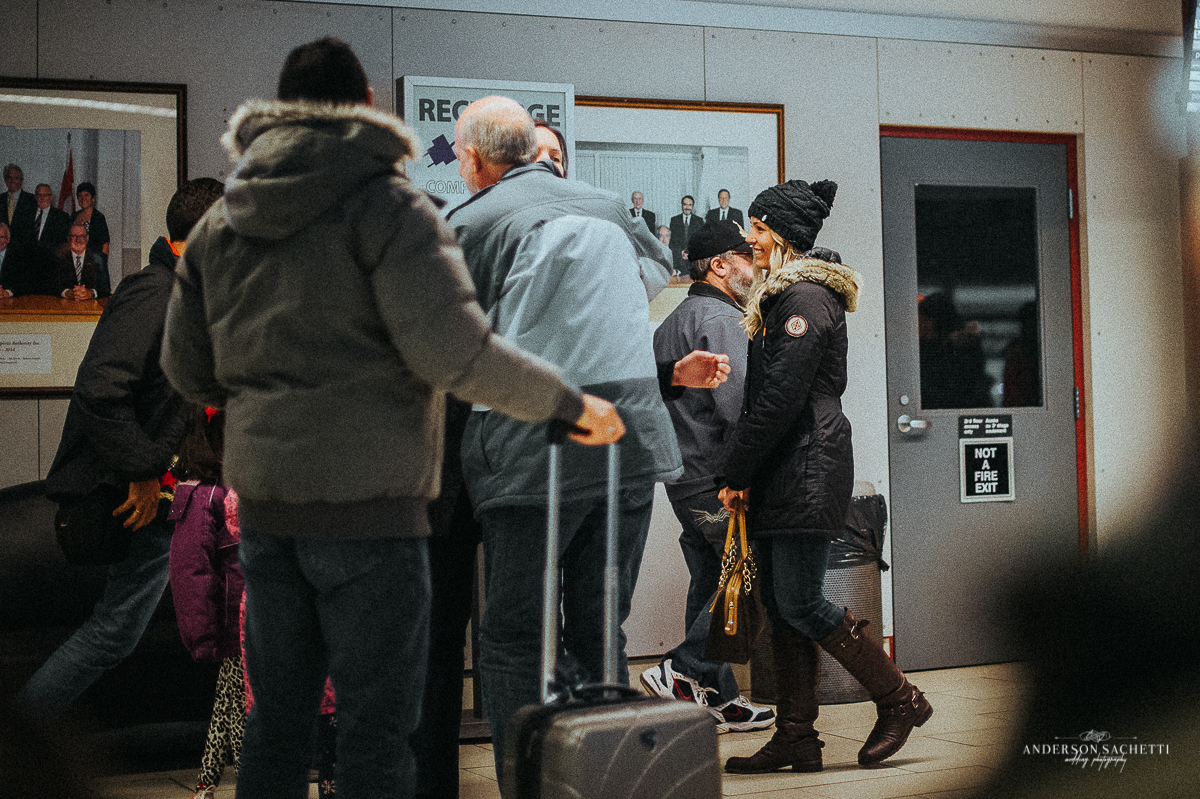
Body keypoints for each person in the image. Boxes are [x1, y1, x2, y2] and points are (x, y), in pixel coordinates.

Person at [160, 40, 622, 799]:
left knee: (277, 724)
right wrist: (569, 403)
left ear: (279, 109)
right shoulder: (393, 209)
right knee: (377, 731)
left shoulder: (222, 224)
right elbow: (460, 355)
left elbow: (186, 369)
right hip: (373, 517)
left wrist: (262, 389)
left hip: (269, 518)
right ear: (366, 104)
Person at [445, 95, 680, 783]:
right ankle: (598, 781)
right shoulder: (607, 204)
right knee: (600, 623)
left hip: (530, 452)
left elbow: (447, 335)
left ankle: (528, 782)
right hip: (631, 445)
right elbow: (657, 271)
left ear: (475, 159)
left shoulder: (468, 220)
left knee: (515, 632)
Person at [718, 179, 932, 774]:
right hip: (789, 468)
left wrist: (735, 470)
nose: (750, 239)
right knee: (784, 606)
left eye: (758, 229)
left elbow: (781, 399)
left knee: (804, 601)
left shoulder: (805, 301)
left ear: (784, 235)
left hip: (807, 467)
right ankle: (795, 737)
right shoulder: (782, 298)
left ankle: (899, 700)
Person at [17, 177, 225, 717]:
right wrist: (142, 469)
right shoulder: (155, 292)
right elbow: (100, 388)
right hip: (135, 498)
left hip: (164, 497)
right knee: (111, 634)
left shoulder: (185, 292)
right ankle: (17, 744)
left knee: (116, 632)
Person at [644, 218, 775, 734]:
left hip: (683, 476)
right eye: (746, 257)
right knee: (748, 572)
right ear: (720, 266)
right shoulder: (719, 318)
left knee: (711, 582)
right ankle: (683, 669)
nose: (755, 265)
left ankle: (716, 697)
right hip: (714, 479)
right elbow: (740, 408)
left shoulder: (674, 318)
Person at [167, 406, 246, 799]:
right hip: (231, 622)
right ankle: (249, 779)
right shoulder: (203, 497)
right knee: (238, 710)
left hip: (240, 619)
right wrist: (204, 635)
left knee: (227, 698)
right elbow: (190, 572)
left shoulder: (224, 491)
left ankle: (206, 781)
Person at [53, 223, 109, 300]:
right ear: (68, 239)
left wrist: (90, 293)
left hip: (91, 306)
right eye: (74, 236)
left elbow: (105, 289)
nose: (78, 240)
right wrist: (67, 293)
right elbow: (53, 286)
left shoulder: (98, 258)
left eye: (81, 236)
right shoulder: (59, 257)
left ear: (87, 238)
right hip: (65, 305)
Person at [70, 181, 110, 261]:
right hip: (75, 259)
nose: (83, 198)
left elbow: (105, 244)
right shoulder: (73, 216)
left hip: (92, 260)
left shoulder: (98, 217)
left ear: (93, 198)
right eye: (80, 196)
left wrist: (101, 262)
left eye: (86, 195)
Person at [2, 164, 37, 246]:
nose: (12, 181)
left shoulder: (32, 200)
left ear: (21, 180)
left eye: (16, 178)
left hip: (23, 248)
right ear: (5, 180)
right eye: (9, 177)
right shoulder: (0, 199)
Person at [32, 184, 71, 252]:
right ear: (35, 197)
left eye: (45, 195)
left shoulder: (61, 216)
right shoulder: (27, 214)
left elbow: (62, 243)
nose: (42, 198)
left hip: (51, 258)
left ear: (51, 197)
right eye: (39, 195)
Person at [669, 195, 702, 276]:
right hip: (678, 261)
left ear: (693, 206)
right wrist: (681, 253)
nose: (687, 207)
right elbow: (672, 242)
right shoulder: (674, 220)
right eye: (685, 204)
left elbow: (701, 241)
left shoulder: (699, 221)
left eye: (690, 205)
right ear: (682, 205)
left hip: (694, 260)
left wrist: (690, 252)